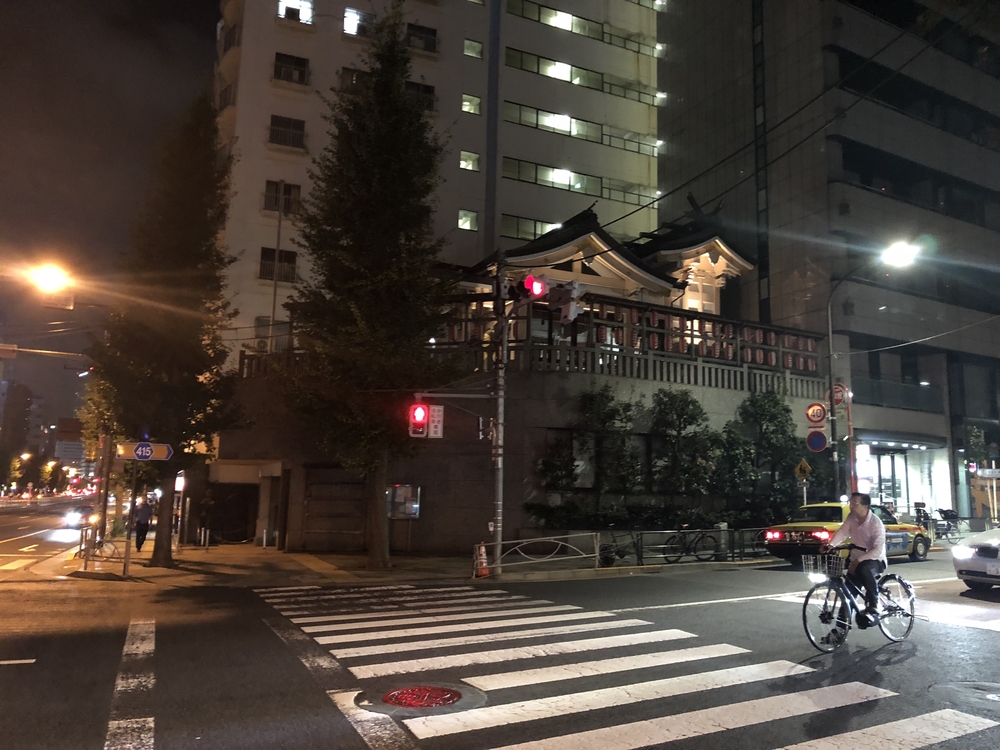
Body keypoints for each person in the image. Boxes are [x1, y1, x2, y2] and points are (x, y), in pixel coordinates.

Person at [821, 492, 886, 627]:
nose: (851, 506)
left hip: (875, 560)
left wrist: (858, 561)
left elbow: (878, 549)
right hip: (855, 560)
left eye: (854, 503)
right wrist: (830, 545)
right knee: (848, 595)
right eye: (850, 503)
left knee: (865, 569)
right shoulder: (852, 518)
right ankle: (839, 632)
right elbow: (842, 532)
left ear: (865, 506)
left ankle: (873, 604)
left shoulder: (875, 523)